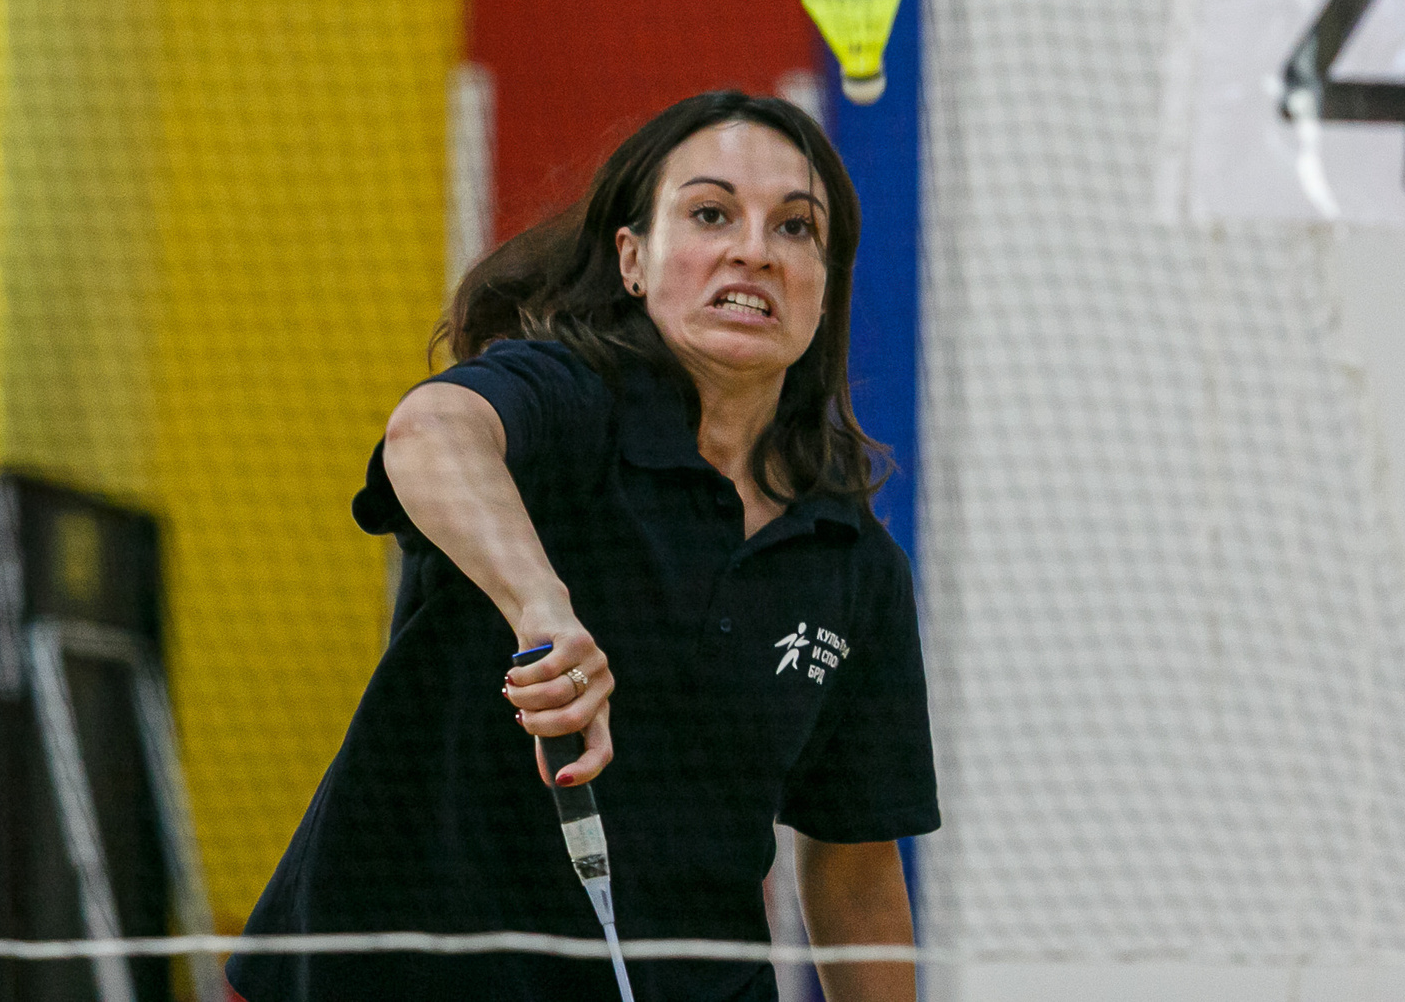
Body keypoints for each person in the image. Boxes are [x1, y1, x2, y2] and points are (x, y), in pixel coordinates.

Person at [228, 91, 939, 1002]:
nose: (754, 249)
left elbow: (855, 871)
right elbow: (429, 432)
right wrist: (541, 604)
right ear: (633, 259)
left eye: (795, 227)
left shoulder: (851, 561)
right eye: (711, 213)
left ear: (825, 281)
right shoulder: (564, 403)